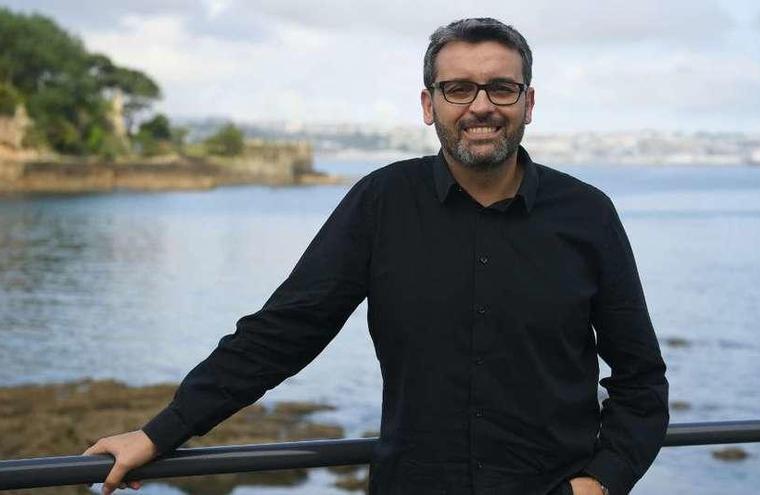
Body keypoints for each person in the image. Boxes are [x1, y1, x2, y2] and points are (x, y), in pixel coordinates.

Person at [84, 17, 669, 495]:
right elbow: (282, 333)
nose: (481, 105)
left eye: (502, 88)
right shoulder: (381, 202)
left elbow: (641, 380)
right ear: (428, 103)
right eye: (458, 88)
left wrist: (600, 483)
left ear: (529, 102)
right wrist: (158, 435)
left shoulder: (587, 214)